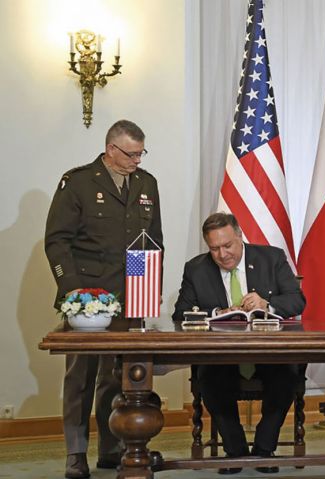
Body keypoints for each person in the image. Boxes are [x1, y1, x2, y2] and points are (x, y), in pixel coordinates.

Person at [45, 120, 163, 479]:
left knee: (120, 379)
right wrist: (75, 292)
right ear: (111, 149)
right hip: (88, 300)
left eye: (141, 153)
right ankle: (75, 453)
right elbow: (57, 241)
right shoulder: (78, 182)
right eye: (131, 154)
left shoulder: (147, 184)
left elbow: (152, 241)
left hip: (130, 297)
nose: (137, 161)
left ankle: (112, 448)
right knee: (81, 378)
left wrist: (150, 292)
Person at [172, 212, 305, 475]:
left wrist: (268, 304)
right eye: (214, 249)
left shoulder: (272, 258)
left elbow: (297, 300)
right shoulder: (196, 268)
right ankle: (235, 451)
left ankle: (264, 451)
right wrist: (215, 314)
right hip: (221, 354)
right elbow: (180, 314)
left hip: (269, 352)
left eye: (227, 245)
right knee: (210, 378)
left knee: (287, 376)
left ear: (240, 236)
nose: (222, 255)